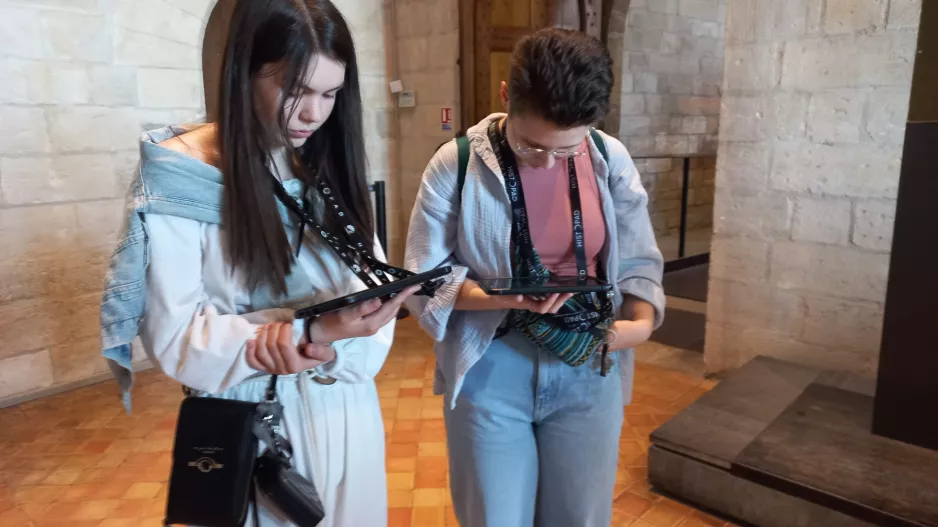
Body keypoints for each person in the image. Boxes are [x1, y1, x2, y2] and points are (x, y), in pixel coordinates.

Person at [99, 1, 414, 525]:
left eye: (330, 94)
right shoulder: (183, 177)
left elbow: (367, 315)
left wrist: (337, 339)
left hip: (346, 407)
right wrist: (300, 332)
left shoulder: (325, 161)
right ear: (244, 72)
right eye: (295, 90)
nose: (314, 114)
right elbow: (174, 338)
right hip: (249, 419)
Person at [404, 28, 665, 527]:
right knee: (495, 517)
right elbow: (423, 278)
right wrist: (505, 298)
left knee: (579, 517)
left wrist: (640, 325)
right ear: (506, 96)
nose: (547, 162)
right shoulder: (456, 163)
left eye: (567, 151)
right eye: (530, 146)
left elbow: (638, 260)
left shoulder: (608, 156)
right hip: (491, 363)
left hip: (590, 361)